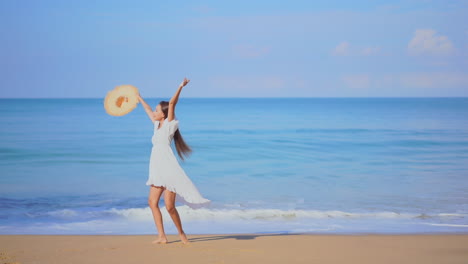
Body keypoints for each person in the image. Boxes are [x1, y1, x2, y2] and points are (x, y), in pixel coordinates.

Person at [137, 78, 211, 245]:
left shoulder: (169, 125)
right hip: (156, 170)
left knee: (170, 207)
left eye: (157, 111)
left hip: (169, 170)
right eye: (155, 111)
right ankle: (162, 236)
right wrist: (139, 98)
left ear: (163, 114)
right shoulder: (156, 125)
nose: (154, 113)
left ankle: (181, 233)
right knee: (152, 202)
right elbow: (148, 109)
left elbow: (171, 104)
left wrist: (180, 87)